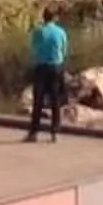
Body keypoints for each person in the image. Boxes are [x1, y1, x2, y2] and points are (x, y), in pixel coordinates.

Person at [25, 8, 70, 142]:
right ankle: (55, 133)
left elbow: (33, 49)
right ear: (54, 17)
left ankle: (33, 133)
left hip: (41, 67)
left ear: (43, 17)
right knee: (55, 100)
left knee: (38, 101)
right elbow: (64, 50)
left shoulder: (38, 31)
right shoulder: (61, 32)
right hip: (56, 67)